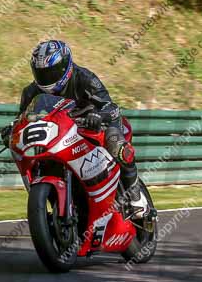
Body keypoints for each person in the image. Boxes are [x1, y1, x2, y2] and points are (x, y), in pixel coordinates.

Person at [11, 39, 149, 218]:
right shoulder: (30, 92)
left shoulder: (85, 78)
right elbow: (22, 118)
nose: (47, 77)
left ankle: (135, 197)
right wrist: (12, 129)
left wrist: (99, 116)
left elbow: (110, 106)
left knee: (115, 143)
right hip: (63, 133)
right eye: (42, 73)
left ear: (64, 67)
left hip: (95, 126)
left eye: (52, 71)